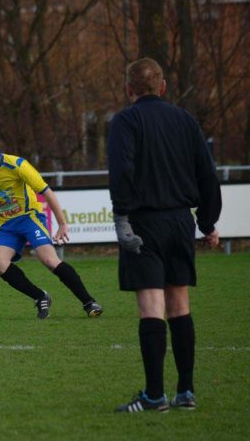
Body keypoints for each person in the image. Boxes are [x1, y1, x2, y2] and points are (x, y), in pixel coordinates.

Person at [108, 58, 221, 413]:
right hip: (179, 222)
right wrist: (207, 221)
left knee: (151, 308)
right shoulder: (185, 120)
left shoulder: (126, 120)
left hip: (144, 223)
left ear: (129, 90)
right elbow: (207, 172)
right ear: (163, 87)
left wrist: (122, 215)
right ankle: (185, 392)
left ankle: (154, 396)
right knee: (180, 305)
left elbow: (122, 169)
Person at [0, 126, 103, 319]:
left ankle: (88, 302)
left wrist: (62, 223)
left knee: (49, 260)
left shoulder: (17, 165)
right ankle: (40, 296)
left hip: (29, 217)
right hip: (6, 225)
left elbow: (46, 192)